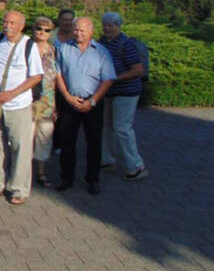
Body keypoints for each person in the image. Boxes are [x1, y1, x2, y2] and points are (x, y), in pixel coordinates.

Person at [0, 11, 43, 205]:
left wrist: (12, 93)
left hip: (18, 105)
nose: (7, 25)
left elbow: (36, 77)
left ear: (21, 26)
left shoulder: (29, 46)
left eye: (12, 23)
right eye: (5, 21)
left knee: (20, 147)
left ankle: (18, 189)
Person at [55, 17, 116, 195]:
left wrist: (93, 101)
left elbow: (108, 79)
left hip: (93, 103)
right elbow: (57, 74)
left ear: (91, 32)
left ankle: (92, 179)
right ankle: (66, 178)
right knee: (67, 142)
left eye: (82, 30)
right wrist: (66, 96)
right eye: (76, 29)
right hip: (70, 102)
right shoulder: (63, 48)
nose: (78, 33)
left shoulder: (101, 52)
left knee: (93, 143)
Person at [98, 12, 148, 181]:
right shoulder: (102, 42)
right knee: (105, 126)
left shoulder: (126, 44)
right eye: (105, 25)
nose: (107, 28)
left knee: (122, 128)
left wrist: (114, 79)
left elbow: (137, 69)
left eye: (111, 25)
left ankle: (136, 165)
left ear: (119, 26)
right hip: (108, 92)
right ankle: (106, 159)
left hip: (126, 92)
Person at [30, 16, 59, 187]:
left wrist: (57, 105)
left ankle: (41, 172)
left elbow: (59, 78)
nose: (42, 32)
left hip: (48, 102)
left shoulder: (55, 52)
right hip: (28, 100)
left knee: (44, 138)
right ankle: (24, 172)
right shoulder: (26, 49)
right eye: (39, 28)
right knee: (26, 137)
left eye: (47, 30)